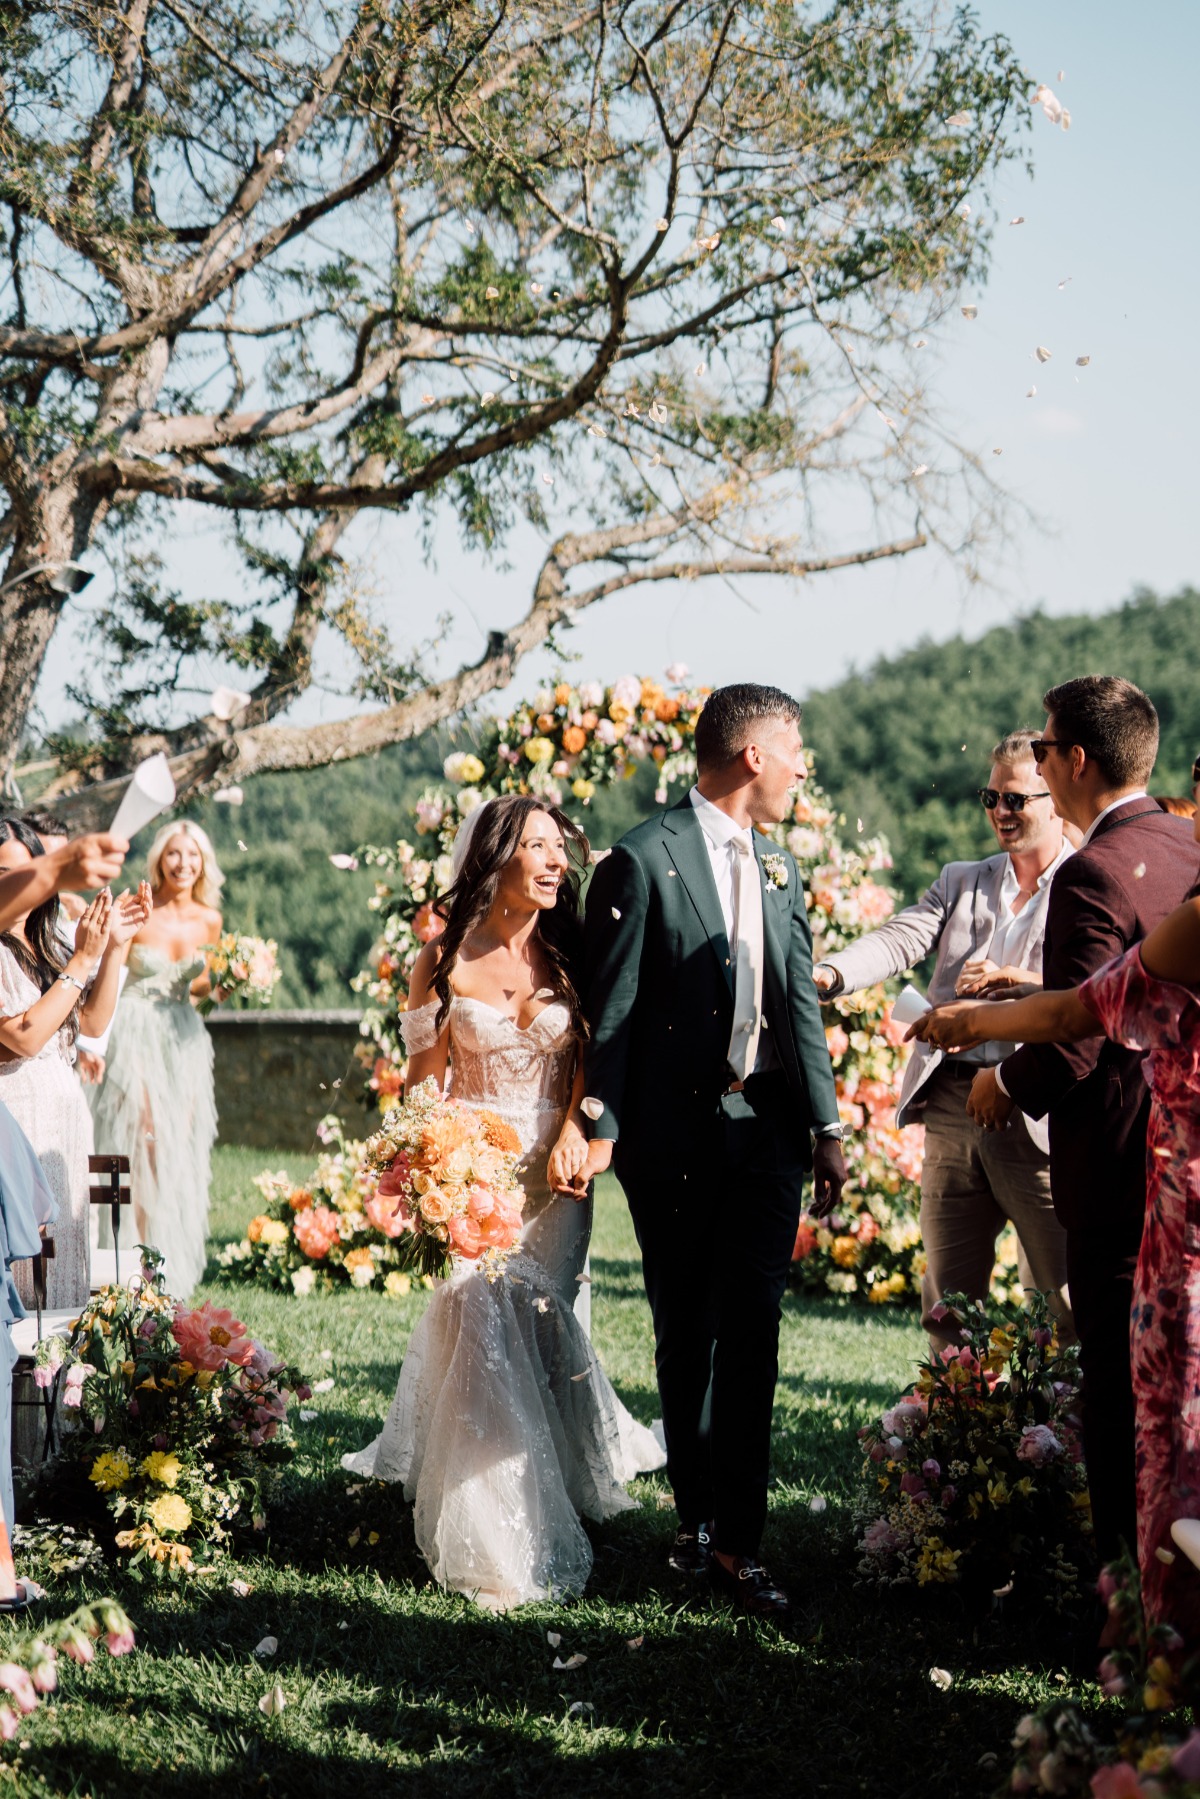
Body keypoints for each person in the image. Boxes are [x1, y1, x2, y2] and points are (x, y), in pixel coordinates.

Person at [342, 795, 664, 1610]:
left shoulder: (572, 950)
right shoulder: (440, 961)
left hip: (557, 1180)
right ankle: (492, 1534)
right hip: (474, 1177)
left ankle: (560, 1475)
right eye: (539, 846)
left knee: (545, 1324)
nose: (558, 862)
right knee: (481, 1322)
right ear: (497, 856)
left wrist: (577, 1131)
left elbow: (596, 1050)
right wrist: (437, 1167)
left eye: (562, 848)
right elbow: (422, 1089)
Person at [908, 758, 1200, 1632]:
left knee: (1171, 1420)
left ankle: (1157, 1631)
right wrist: (1018, 997)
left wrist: (972, 1023)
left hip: (1183, 1216)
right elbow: (1095, 999)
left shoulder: (1175, 909)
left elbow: (1086, 1015)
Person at [581, 683, 846, 1621]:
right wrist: (601, 1124)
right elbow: (609, 1012)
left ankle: (740, 1540)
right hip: (674, 1143)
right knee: (684, 1332)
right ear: (751, 757)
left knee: (757, 1334)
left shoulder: (782, 868)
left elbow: (799, 1007)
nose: (804, 767)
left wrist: (828, 1127)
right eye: (796, 749)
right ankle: (694, 1524)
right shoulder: (641, 859)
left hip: (768, 1137)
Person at [964, 677, 1200, 1565]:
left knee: (1119, 1388)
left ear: (1073, 760)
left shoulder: (1093, 869)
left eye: (1047, 746)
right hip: (1183, 1160)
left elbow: (1081, 1029)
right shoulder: (1185, 843)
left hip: (1121, 1161)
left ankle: (1126, 1594)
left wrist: (1005, 1086)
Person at [813, 732, 1073, 1340]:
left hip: (1037, 1101)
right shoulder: (963, 880)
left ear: (1055, 798)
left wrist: (1018, 983)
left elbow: (1091, 987)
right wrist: (831, 973)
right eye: (990, 798)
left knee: (1063, 1297)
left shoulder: (1085, 881)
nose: (1000, 814)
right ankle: (951, 1424)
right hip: (954, 1104)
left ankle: (1065, 1429)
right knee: (947, 1302)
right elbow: (901, 937)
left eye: (1015, 800)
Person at [0, 820, 147, 1308]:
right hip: (17, 1130)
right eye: (7, 875)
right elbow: (24, 1036)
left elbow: (92, 1022)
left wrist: (114, 947)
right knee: (25, 1271)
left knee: (62, 1276)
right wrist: (82, 960)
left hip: (62, 1130)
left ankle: (59, 1379)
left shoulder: (44, 947)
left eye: (35, 873)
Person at [89, 822, 222, 1297]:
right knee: (142, 1138)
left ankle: (168, 1259)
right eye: (174, 854)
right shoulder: (140, 906)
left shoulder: (210, 919)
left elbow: (201, 988)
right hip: (136, 1031)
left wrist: (226, 985)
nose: (183, 863)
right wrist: (95, 1044)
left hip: (183, 1036)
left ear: (203, 863)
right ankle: (135, 1254)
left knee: (176, 1147)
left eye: (193, 855)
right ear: (160, 859)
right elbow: (108, 973)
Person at [23, 811, 113, 1086]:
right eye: (47, 860)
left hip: (63, 1066)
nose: (55, 871)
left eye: (64, 861)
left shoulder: (74, 914)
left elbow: (88, 1009)